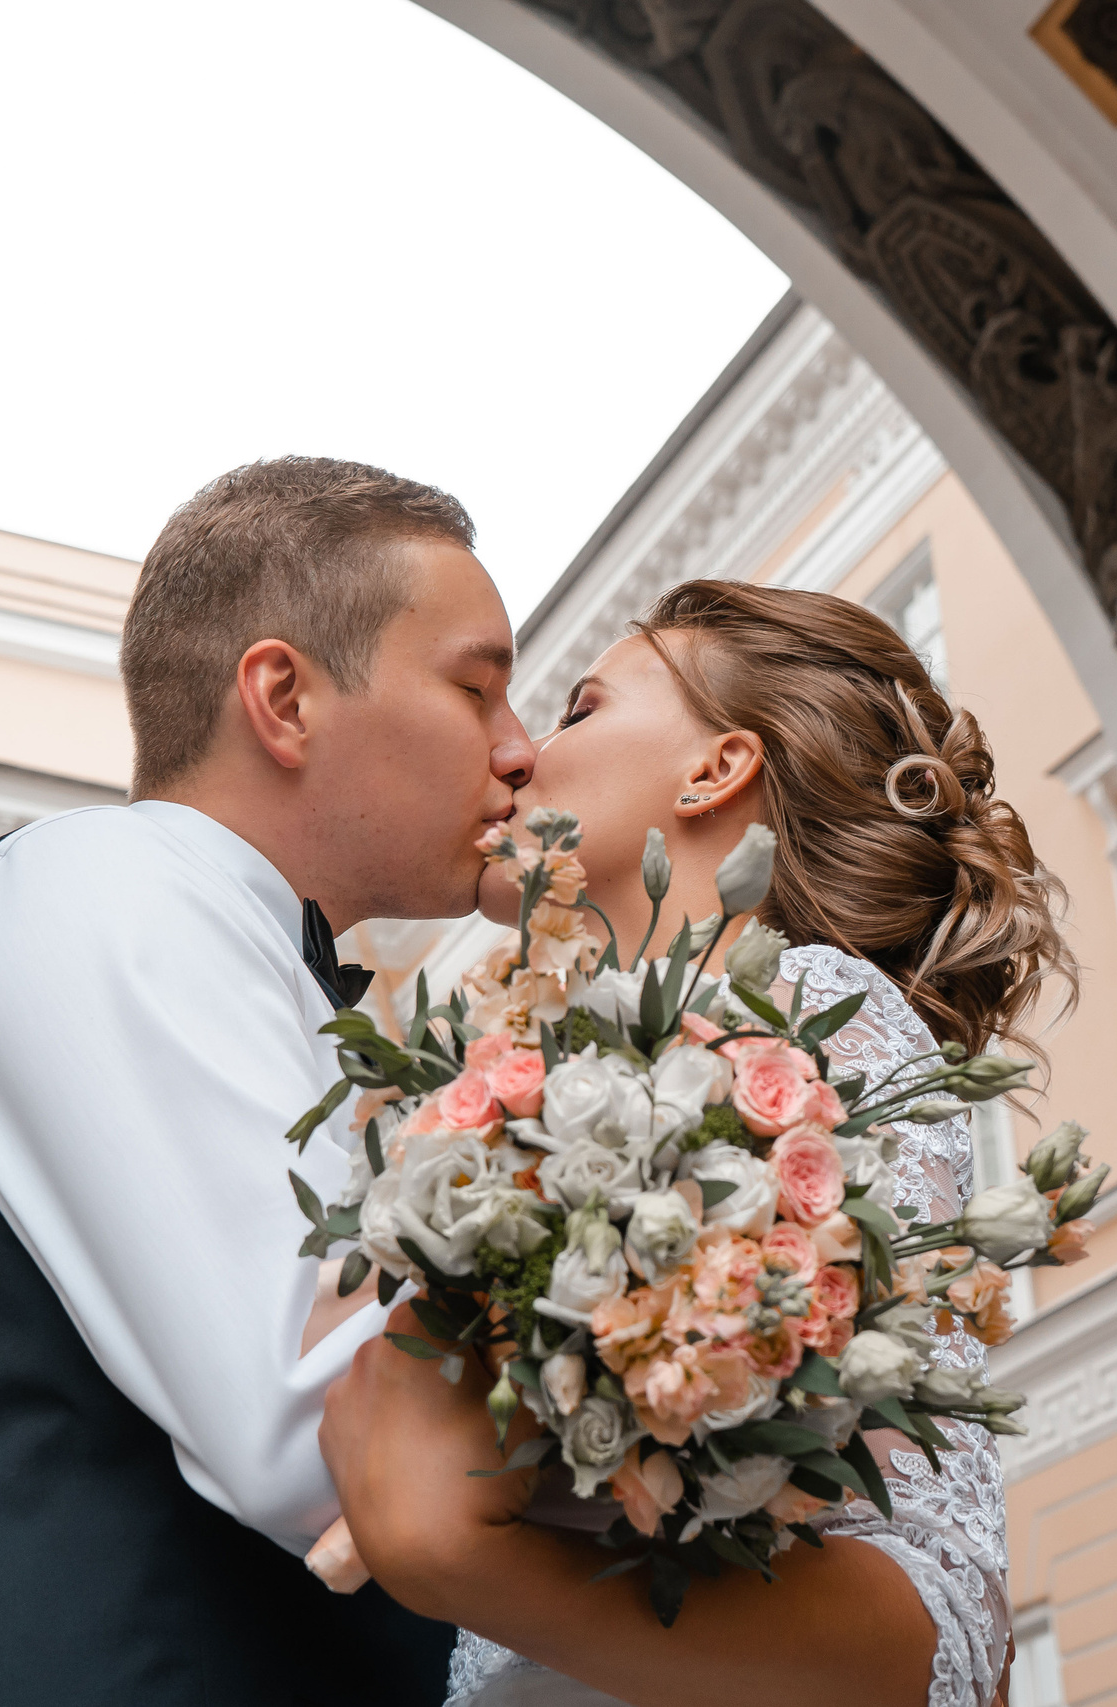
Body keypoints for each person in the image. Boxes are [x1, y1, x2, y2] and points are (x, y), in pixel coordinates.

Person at [0, 457, 537, 1705]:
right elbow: (305, 1432)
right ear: (284, 698)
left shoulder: (248, 957)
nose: (520, 753)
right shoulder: (103, 887)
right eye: (477, 688)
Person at [318, 579, 1077, 1707]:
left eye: (577, 710)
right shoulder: (529, 1070)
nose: (519, 752)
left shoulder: (813, 1011)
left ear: (715, 770)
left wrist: (473, 1558)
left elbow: (937, 1604)